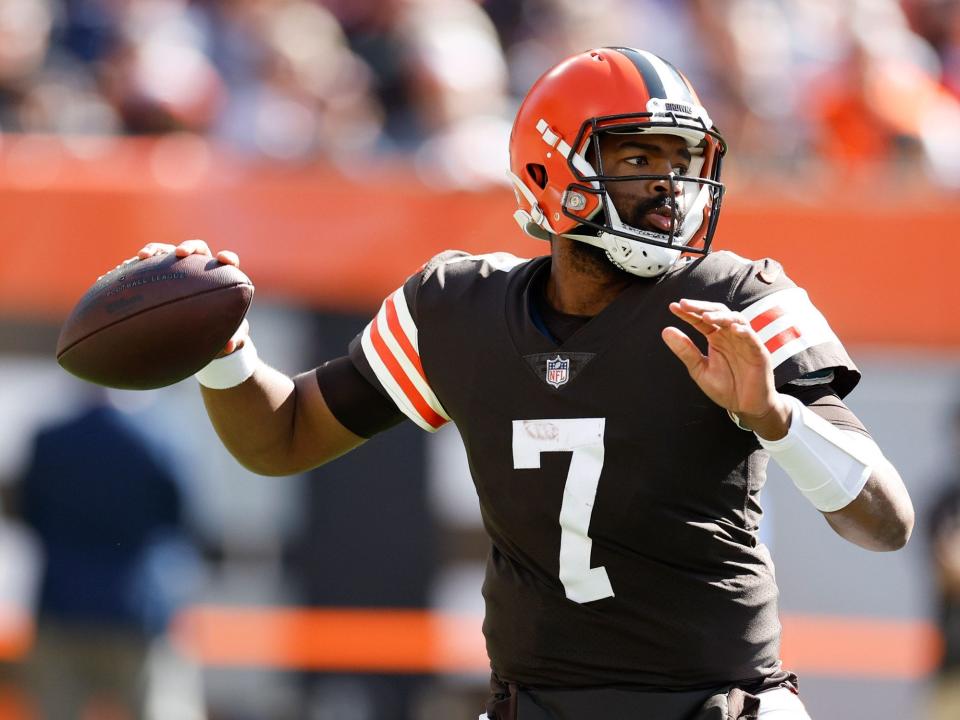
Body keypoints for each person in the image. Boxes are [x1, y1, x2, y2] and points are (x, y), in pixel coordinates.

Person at [134, 47, 914, 719]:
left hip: (716, 701)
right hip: (535, 703)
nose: (671, 188)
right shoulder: (456, 312)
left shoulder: (737, 302)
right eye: (639, 159)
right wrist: (224, 350)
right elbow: (284, 436)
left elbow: (884, 521)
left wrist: (779, 419)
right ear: (550, 170)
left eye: (683, 163)